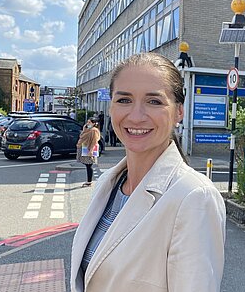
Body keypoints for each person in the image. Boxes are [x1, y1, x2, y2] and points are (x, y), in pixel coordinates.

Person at [70, 53, 226, 292]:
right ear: (111, 106)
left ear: (179, 112)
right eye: (124, 100)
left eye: (154, 102)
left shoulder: (194, 197)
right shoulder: (107, 184)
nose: (136, 116)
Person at [76, 117, 101, 187]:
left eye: (89, 122)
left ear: (94, 123)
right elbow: (81, 136)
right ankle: (89, 181)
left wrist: (91, 150)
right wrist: (84, 129)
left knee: (89, 165)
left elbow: (94, 141)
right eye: (87, 122)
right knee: (87, 165)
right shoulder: (88, 129)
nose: (88, 123)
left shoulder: (94, 131)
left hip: (88, 148)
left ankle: (89, 181)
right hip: (84, 147)